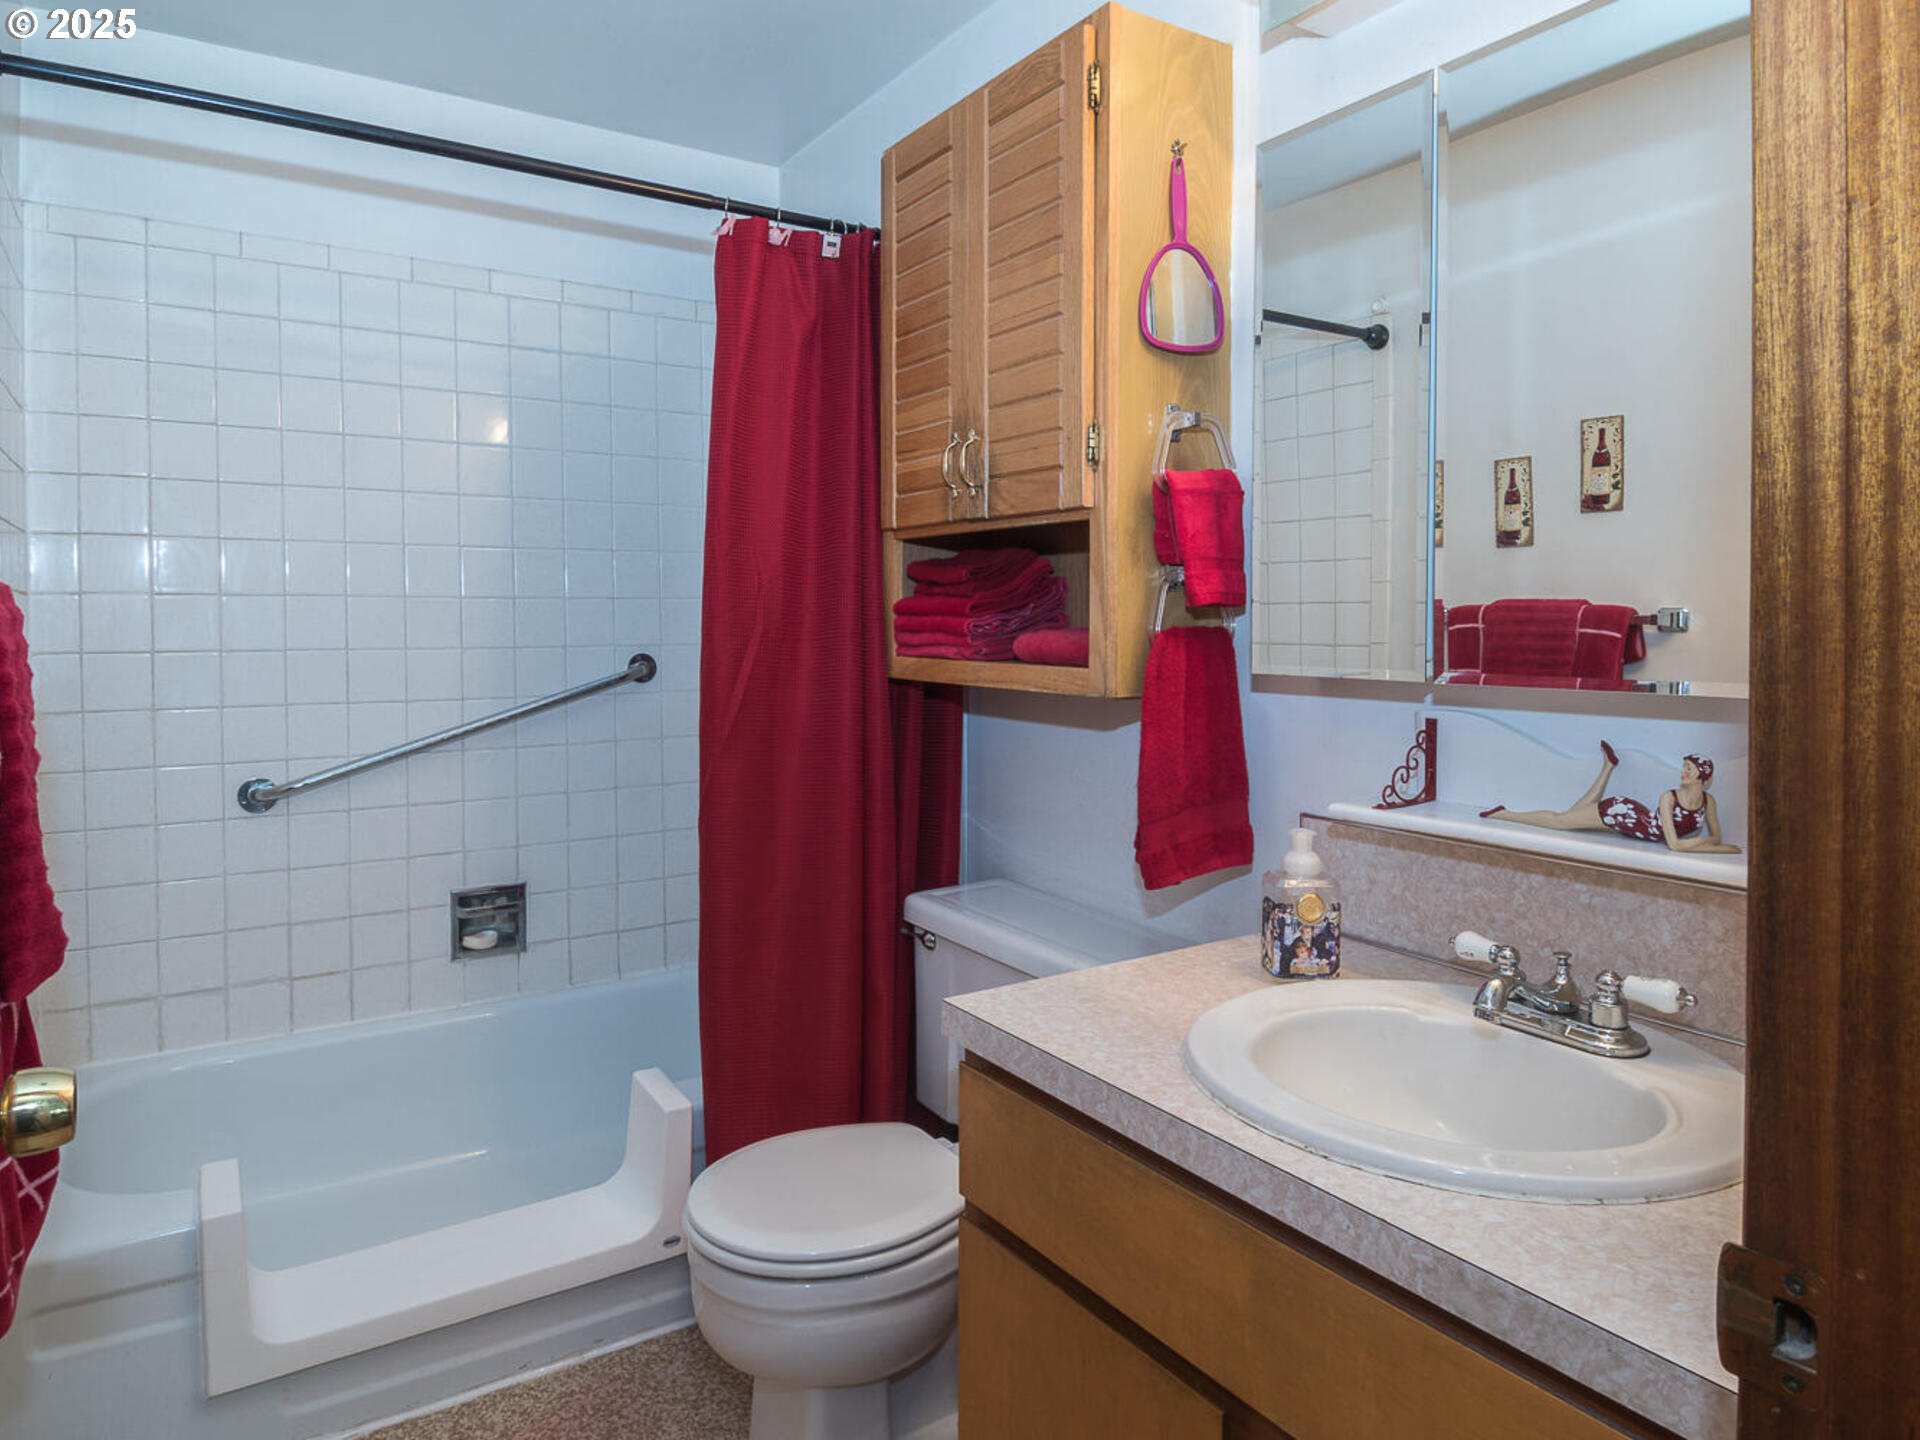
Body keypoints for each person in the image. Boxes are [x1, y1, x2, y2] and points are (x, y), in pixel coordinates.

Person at [1480, 743, 1739, 854]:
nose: (1683, 773)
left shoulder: (1709, 802)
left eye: (1689, 770)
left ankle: (1607, 767)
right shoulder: (1669, 797)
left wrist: (1718, 847)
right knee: (1560, 821)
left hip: (1635, 819)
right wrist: (1711, 846)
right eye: (1683, 767)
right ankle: (1505, 814)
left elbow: (1718, 839)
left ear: (1701, 778)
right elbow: (1675, 845)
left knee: (1568, 816)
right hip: (1621, 816)